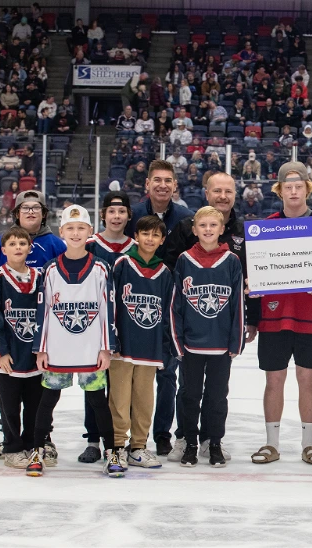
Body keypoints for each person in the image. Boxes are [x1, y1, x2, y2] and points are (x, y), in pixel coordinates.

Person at [247, 162, 312, 466]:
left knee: (307, 379)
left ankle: (309, 444)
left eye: (299, 186)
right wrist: (252, 315)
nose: (293, 191)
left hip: (310, 317)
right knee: (274, 380)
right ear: (280, 190)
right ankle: (272, 444)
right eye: (288, 186)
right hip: (274, 317)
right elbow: (254, 277)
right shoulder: (266, 227)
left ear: (307, 189)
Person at [27, 205, 122, 478]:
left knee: (97, 402)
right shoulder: (50, 270)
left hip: (91, 348)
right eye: (70, 228)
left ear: (90, 232)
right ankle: (37, 450)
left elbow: (107, 310)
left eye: (81, 228)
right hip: (58, 347)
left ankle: (112, 451)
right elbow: (42, 311)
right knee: (47, 400)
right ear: (62, 232)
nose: (76, 232)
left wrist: (107, 347)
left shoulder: (102, 269)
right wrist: (40, 347)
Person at [163, 172, 247, 462]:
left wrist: (236, 342)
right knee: (188, 395)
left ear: (221, 228)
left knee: (216, 397)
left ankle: (213, 441)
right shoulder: (184, 260)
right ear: (194, 229)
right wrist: (177, 342)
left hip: (221, 344)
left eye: (214, 225)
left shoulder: (233, 261)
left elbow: (237, 304)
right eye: (203, 225)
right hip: (191, 345)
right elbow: (175, 304)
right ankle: (187, 441)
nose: (208, 229)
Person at [124, 160, 192, 457]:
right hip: (135, 307)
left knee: (166, 375)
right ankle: (122, 436)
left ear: (175, 186)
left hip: (169, 308)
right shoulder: (132, 216)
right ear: (147, 184)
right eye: (157, 180)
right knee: (129, 374)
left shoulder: (187, 218)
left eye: (168, 180)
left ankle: (162, 434)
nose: (163, 185)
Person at [76, 191, 135, 464]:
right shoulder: (89, 245)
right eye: (111, 211)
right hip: (92, 327)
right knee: (94, 386)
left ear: (128, 216)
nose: (116, 216)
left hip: (127, 325)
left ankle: (120, 441)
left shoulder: (136, 247)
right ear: (103, 215)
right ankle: (93, 440)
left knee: (122, 388)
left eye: (121, 211)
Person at [109, 215, 173, 469]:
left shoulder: (165, 272)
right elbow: (110, 302)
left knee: (145, 398)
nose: (149, 239)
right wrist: (111, 339)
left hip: (150, 345)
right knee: (119, 398)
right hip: (123, 346)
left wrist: (167, 344)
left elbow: (167, 311)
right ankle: (116, 447)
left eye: (155, 235)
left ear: (162, 240)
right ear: (136, 236)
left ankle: (138, 446)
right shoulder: (122, 264)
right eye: (145, 233)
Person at [0, 227, 44, 469]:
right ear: (3, 249)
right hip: (7, 357)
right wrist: (1, 353)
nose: (18, 247)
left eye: (22, 243)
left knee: (34, 404)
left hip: (33, 354)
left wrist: (42, 348)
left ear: (30, 248)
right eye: (13, 243)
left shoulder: (39, 278)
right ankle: (11, 446)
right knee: (9, 405)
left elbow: (46, 316)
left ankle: (30, 444)